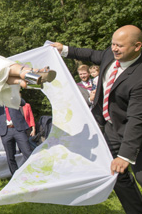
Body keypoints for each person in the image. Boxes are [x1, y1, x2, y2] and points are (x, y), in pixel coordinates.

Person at [51, 25, 142, 214]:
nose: (114, 49)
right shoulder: (111, 55)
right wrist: (65, 50)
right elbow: (92, 55)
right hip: (111, 128)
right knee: (116, 174)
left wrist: (125, 156)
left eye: (120, 46)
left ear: (137, 46)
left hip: (136, 133)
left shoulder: (139, 76)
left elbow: (136, 119)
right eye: (113, 44)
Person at [0, 99, 33, 175]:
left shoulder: (11, 95)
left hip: (18, 129)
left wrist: (12, 94)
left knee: (27, 152)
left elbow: (23, 103)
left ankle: (33, 172)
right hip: (5, 131)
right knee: (10, 157)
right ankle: (15, 176)